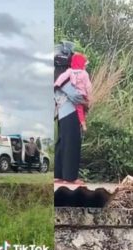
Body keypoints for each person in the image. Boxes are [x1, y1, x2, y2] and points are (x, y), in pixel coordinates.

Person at [54, 53, 91, 185]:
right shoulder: (68, 75)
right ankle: (69, 177)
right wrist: (87, 103)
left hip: (62, 112)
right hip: (71, 111)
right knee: (72, 142)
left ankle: (58, 174)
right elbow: (76, 96)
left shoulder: (61, 75)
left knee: (62, 142)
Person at [54, 53, 92, 132]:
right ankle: (83, 123)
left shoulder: (70, 71)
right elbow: (88, 86)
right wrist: (89, 95)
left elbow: (62, 77)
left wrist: (56, 84)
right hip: (82, 94)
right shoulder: (84, 73)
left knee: (79, 109)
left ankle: (82, 123)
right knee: (84, 108)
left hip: (73, 94)